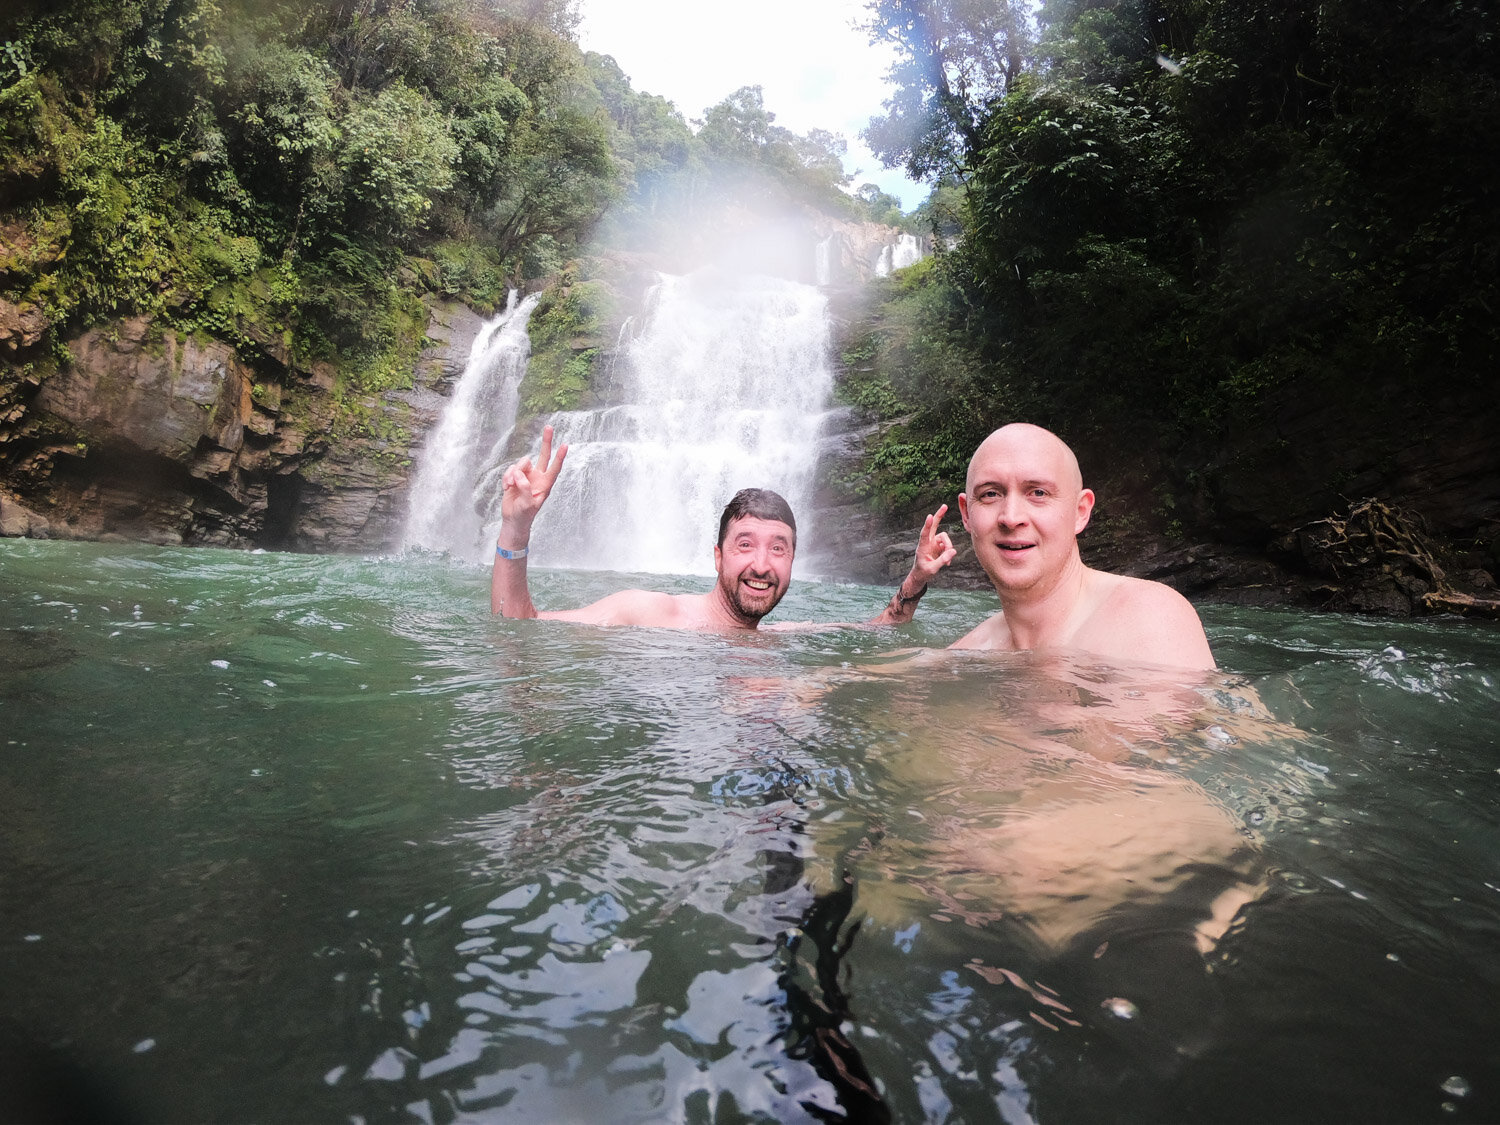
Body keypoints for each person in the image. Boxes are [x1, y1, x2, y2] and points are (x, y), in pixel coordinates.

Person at [490, 426, 956, 630]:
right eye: (745, 544)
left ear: (793, 562)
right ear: (717, 556)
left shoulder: (781, 636)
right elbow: (518, 627)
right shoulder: (646, 612)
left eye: (779, 549)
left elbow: (881, 629)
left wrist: (915, 580)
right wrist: (516, 529)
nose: (761, 564)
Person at [950, 422, 1216, 670]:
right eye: (990, 494)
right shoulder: (964, 656)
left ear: (1080, 512)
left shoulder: (1149, 618)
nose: (1011, 517)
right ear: (966, 514)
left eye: (1038, 493)